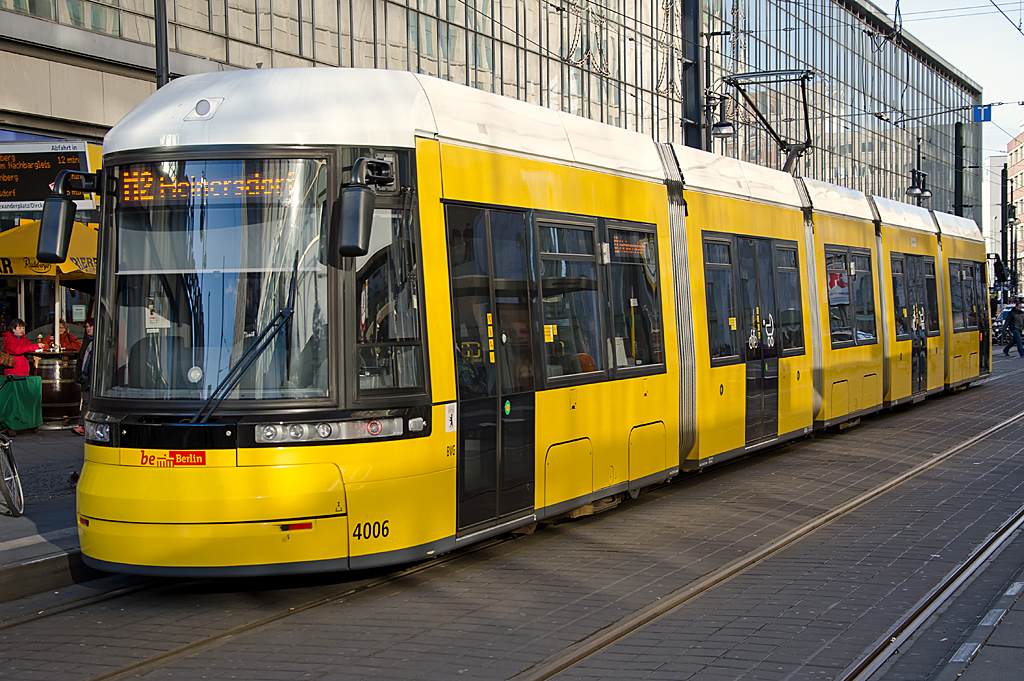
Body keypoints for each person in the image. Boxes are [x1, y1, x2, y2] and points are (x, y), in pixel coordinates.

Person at [72, 318, 93, 436]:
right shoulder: (86, 341)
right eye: (87, 327)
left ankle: (84, 426)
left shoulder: (98, 342)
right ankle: (83, 425)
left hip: (92, 377)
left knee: (88, 402)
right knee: (86, 401)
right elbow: (82, 361)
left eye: (91, 326)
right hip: (85, 377)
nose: (88, 329)